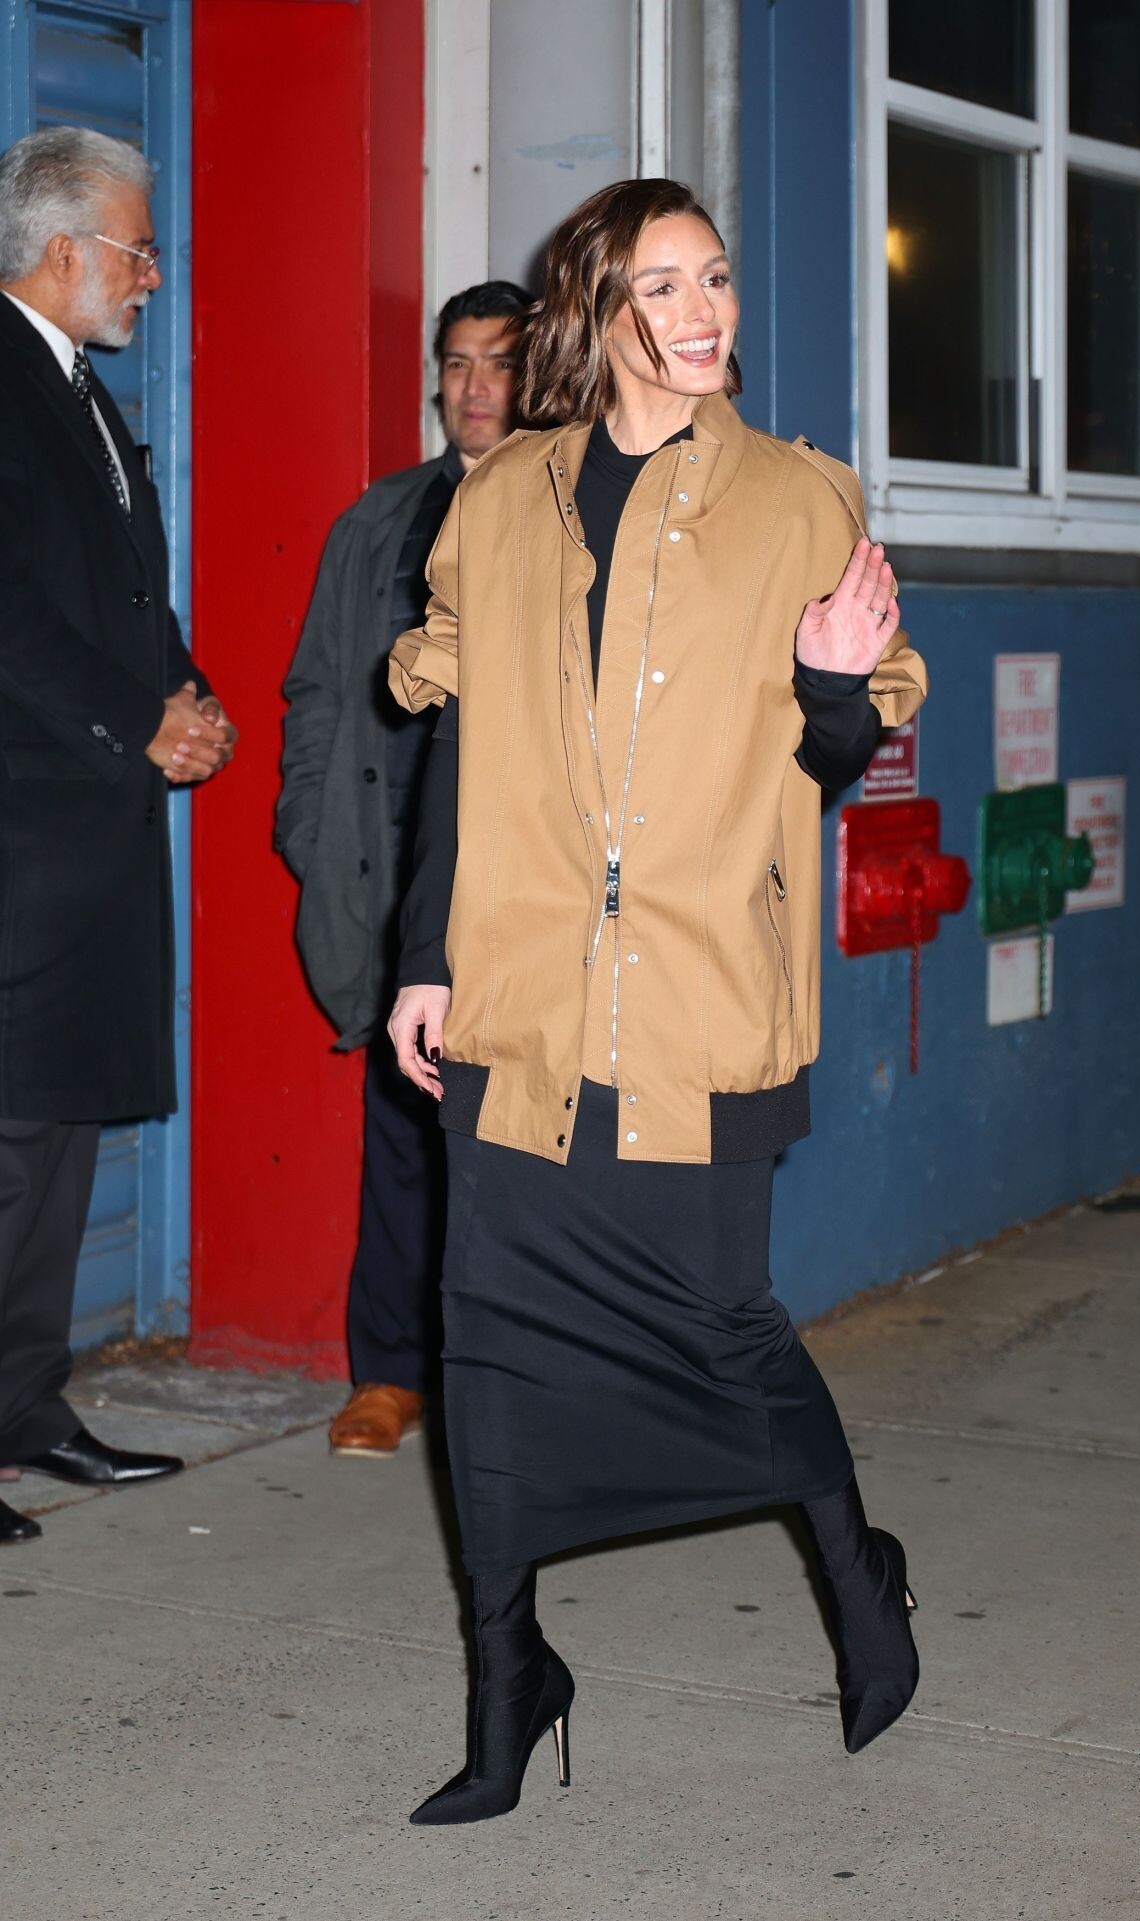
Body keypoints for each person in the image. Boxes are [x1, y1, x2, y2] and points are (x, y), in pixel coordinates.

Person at [386, 177, 929, 1824]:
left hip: (701, 990)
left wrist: (832, 680)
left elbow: (839, 752)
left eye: (717, 281)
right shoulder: (502, 499)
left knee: (726, 1328)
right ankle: (510, 1686)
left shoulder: (797, 498)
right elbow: (459, 748)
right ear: (594, 310)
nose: (704, 314)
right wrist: (426, 955)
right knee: (487, 1351)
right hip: (523, 996)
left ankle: (859, 1578)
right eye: (664, 287)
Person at [0, 127, 235, 1546]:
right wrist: (133, 722)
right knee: (9, 1142)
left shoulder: (78, 386)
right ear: (64, 249)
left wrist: (185, 697)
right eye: (139, 252)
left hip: (92, 836)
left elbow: (124, 593)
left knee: (62, 1132)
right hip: (25, 833)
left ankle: (25, 1410)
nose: (153, 276)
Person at [277, 282, 532, 1459]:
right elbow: (318, 691)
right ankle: (390, 1371)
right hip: (391, 880)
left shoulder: (571, 511)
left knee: (524, 1147)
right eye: (457, 362)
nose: (475, 387)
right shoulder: (377, 521)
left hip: (521, 880)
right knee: (402, 1126)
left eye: (500, 362)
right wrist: (308, 827)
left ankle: (514, 1381)